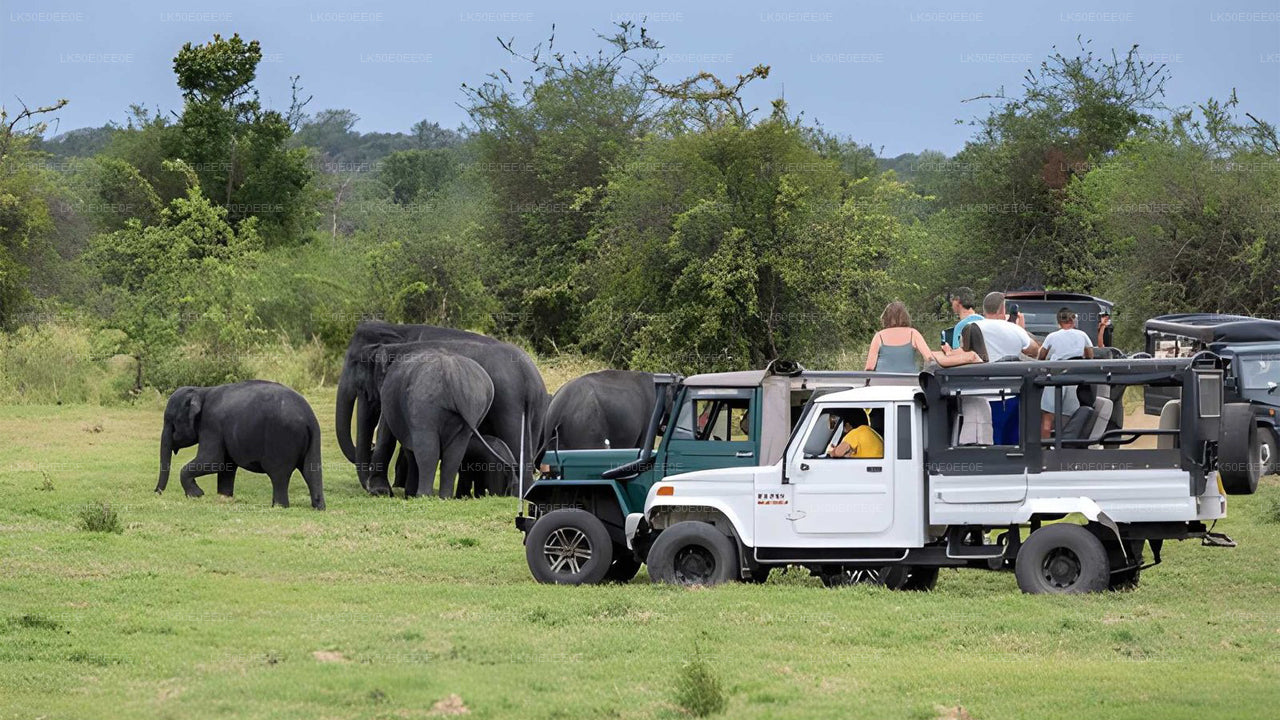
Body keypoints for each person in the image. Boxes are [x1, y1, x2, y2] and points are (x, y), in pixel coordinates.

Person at [1038, 307, 1095, 438]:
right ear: (1073, 321)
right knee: (1071, 420)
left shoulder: (1052, 337)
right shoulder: (1082, 335)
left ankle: (1044, 451)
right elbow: (1090, 356)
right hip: (1073, 380)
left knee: (1047, 421)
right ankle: (1066, 450)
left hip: (1055, 379)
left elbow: (1041, 357)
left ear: (1058, 322)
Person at [865, 301, 934, 372]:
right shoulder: (913, 333)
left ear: (886, 318)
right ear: (905, 316)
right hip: (909, 381)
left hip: (883, 380)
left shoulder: (879, 336)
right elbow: (929, 358)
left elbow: (869, 367)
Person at [974, 292, 1042, 361]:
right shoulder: (1015, 329)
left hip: (980, 371)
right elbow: (1035, 351)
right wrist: (1022, 331)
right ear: (1003, 310)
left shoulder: (972, 327)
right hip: (1010, 371)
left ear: (984, 310)